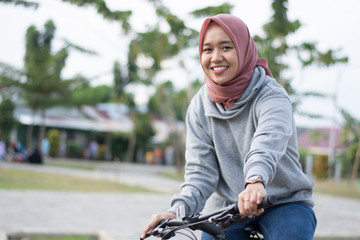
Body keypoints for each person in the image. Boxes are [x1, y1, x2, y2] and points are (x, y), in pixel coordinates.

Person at [141, 14, 317, 240]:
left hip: (283, 202)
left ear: (243, 49)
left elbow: (267, 143)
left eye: (226, 47)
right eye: (207, 49)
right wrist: (176, 210)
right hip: (228, 208)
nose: (216, 57)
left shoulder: (271, 96)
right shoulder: (199, 106)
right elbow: (200, 173)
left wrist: (255, 182)